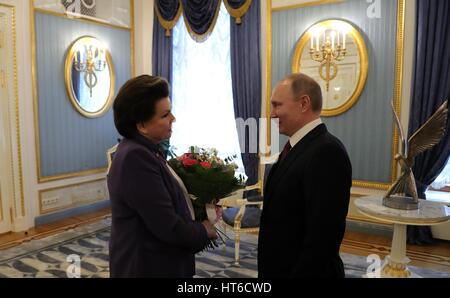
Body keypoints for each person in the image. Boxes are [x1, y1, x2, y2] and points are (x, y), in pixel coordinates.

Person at [107, 75, 217, 278]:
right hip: (146, 266)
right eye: (165, 115)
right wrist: (204, 230)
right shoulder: (135, 157)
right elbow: (167, 227)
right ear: (141, 125)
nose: (173, 119)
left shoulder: (145, 150)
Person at [257, 73, 352, 278]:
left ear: (304, 103)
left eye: (277, 105)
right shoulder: (297, 146)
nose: (272, 114)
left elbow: (322, 239)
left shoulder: (327, 152)